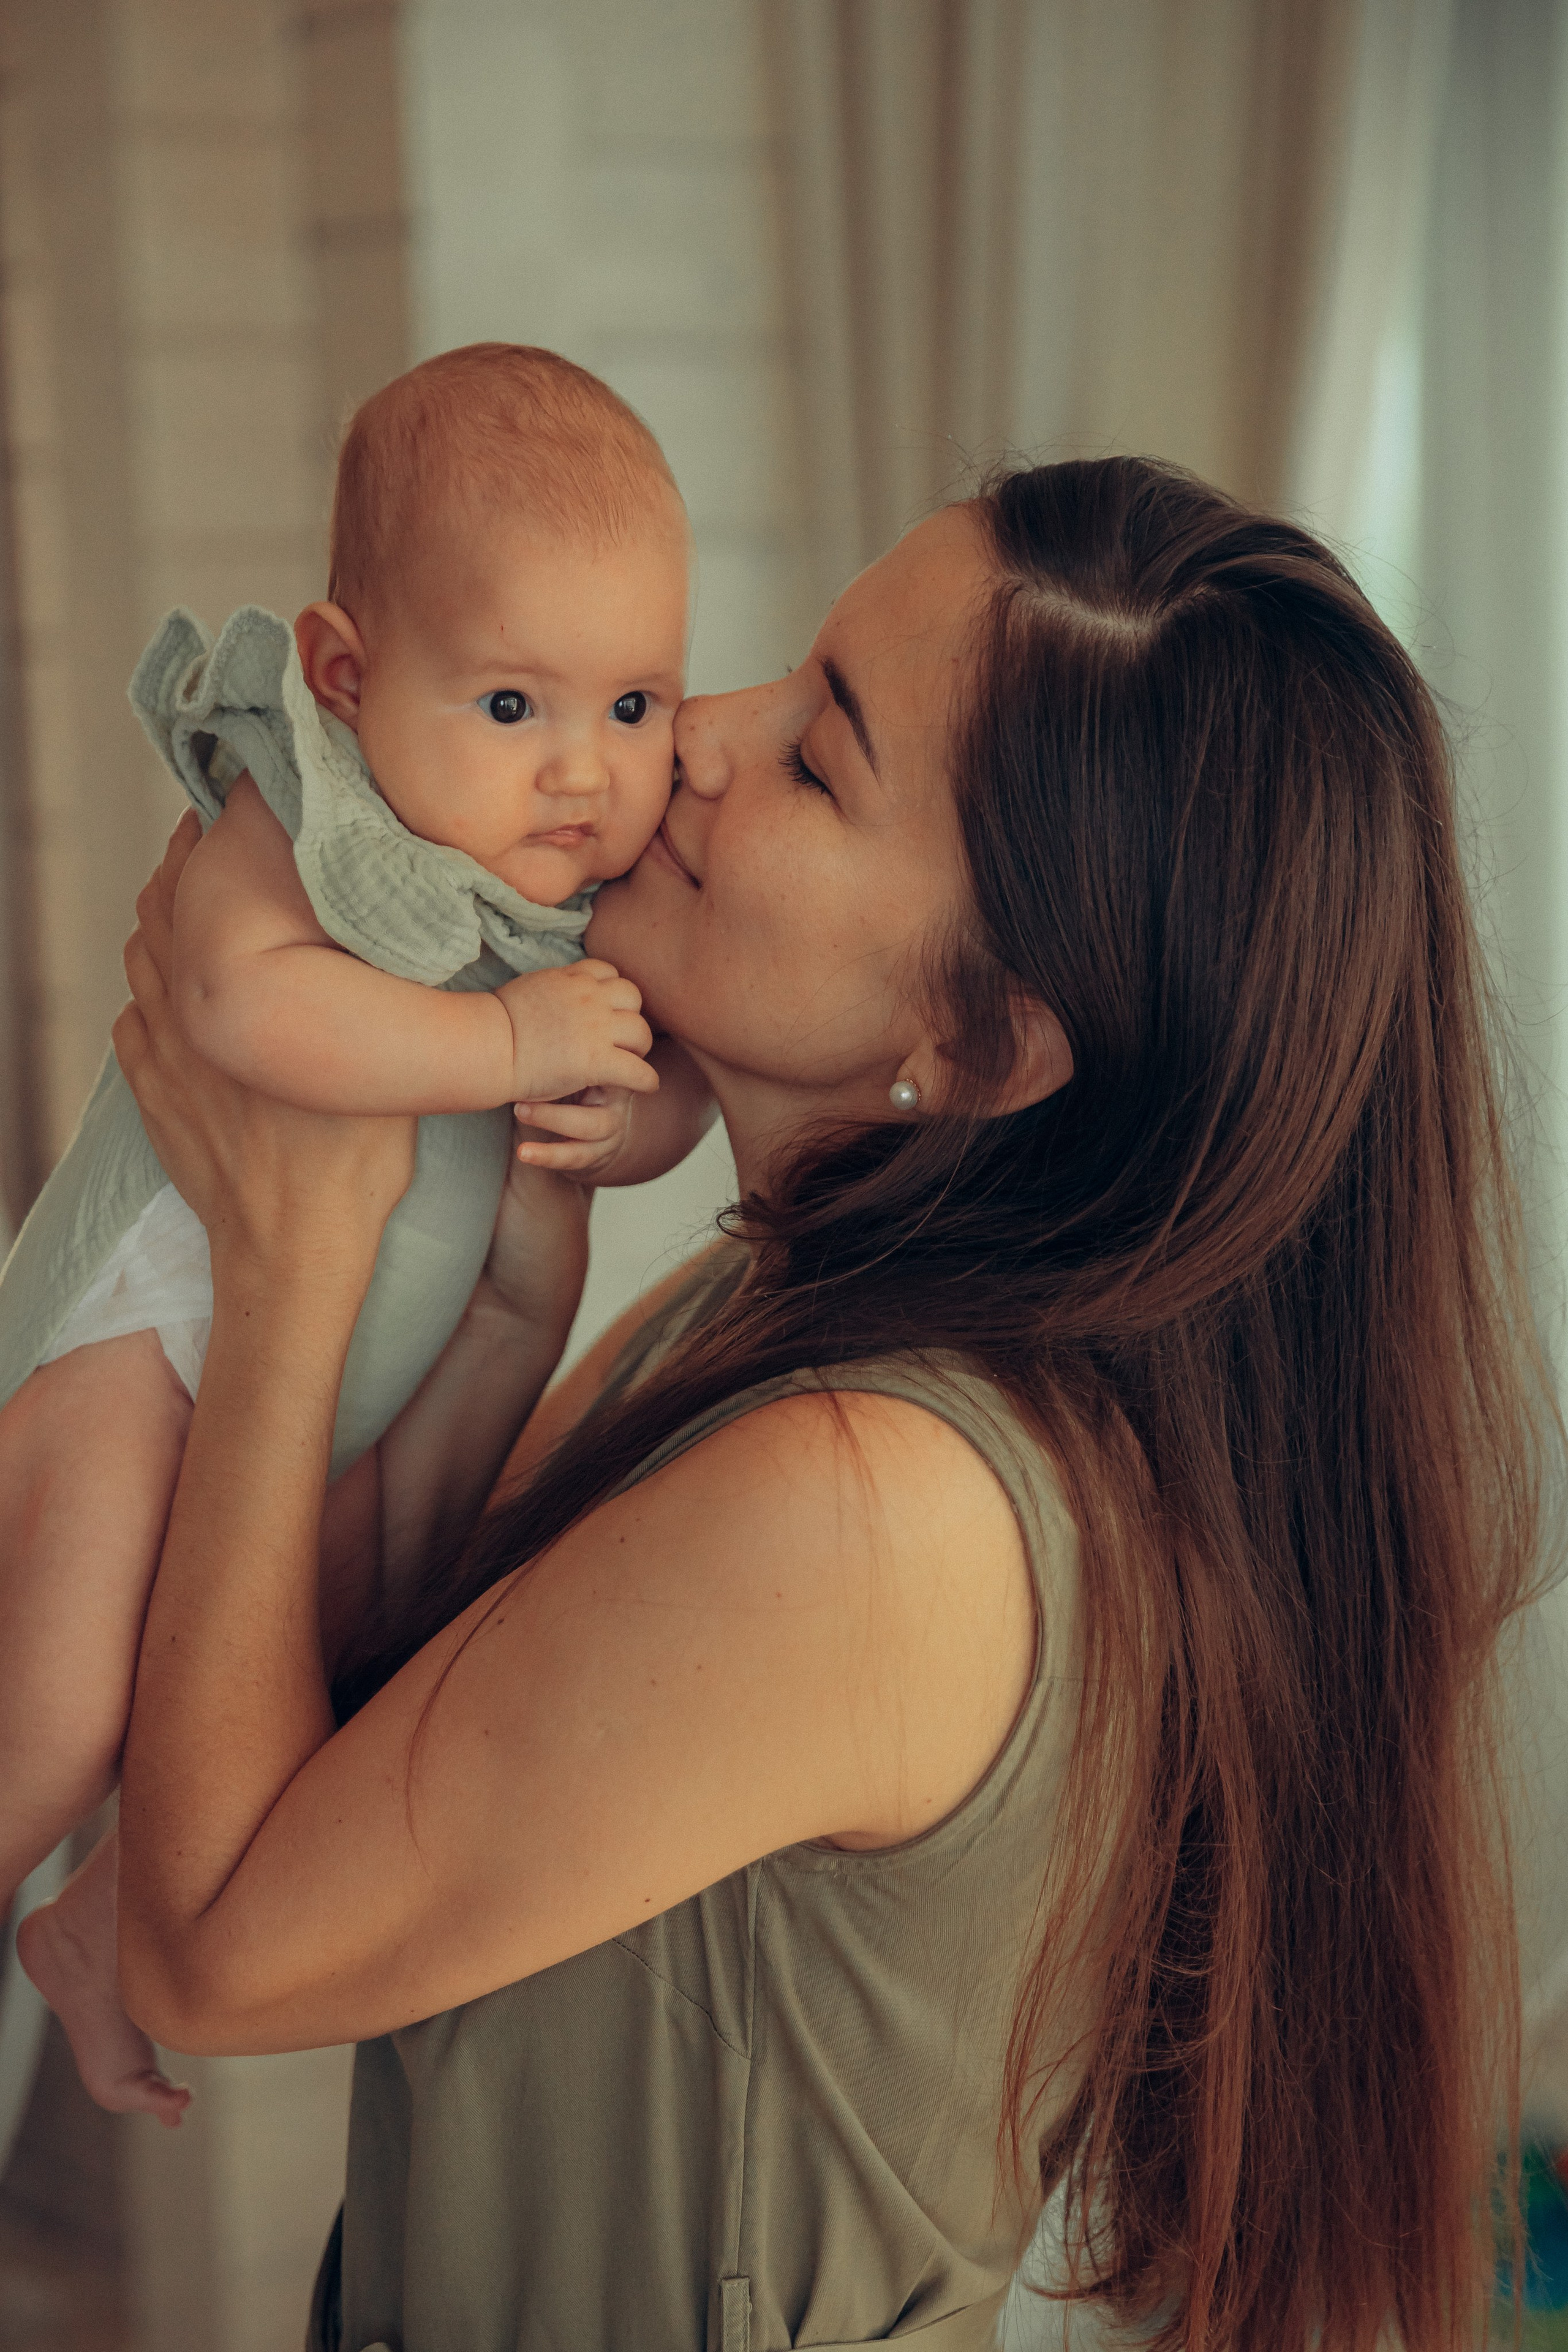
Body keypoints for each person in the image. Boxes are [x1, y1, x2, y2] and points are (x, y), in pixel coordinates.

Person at [109, 459, 1548, 2352]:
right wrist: (523, 1271)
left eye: (817, 761)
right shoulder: (780, 1314)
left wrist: (294, 1264)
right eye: (788, 680)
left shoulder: (877, 1501)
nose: (691, 737)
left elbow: (211, 1945)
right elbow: (356, 1736)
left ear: (979, 1039)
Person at [1, 343, 712, 2125]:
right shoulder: (310, 808)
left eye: (635, 707)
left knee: (286, 1689)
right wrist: (500, 1043)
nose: (583, 774)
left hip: (326, 1375)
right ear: (347, 671)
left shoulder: (573, 895)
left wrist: (625, 1115)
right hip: (149, 1324)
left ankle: (93, 1933)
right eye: (514, 706)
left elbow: (656, 1082)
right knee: (68, 1706)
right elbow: (235, 1006)